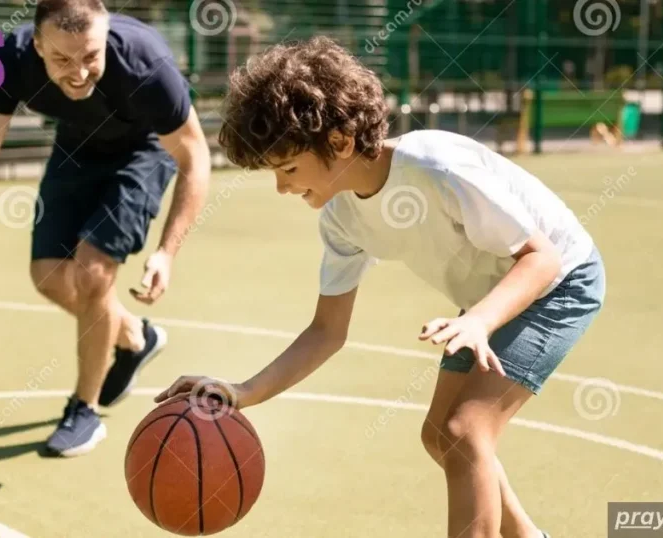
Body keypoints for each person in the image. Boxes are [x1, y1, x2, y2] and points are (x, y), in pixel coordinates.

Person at [155, 37, 605, 538]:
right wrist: (242, 391)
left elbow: (542, 259)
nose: (282, 187)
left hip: (560, 281)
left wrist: (478, 320)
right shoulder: (342, 217)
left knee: (464, 432)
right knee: (440, 436)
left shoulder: (435, 169)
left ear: (341, 142)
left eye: (288, 168)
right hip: (487, 300)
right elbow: (327, 331)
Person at [0, 0, 210, 457]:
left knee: (91, 272)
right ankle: (134, 336)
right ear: (36, 45)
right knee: (47, 276)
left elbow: (195, 156)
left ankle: (83, 411)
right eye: (62, 59)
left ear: (105, 38)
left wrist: (167, 252)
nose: (79, 72)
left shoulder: (145, 64)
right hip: (76, 144)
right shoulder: (8, 61)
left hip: (142, 151)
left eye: (90, 56)